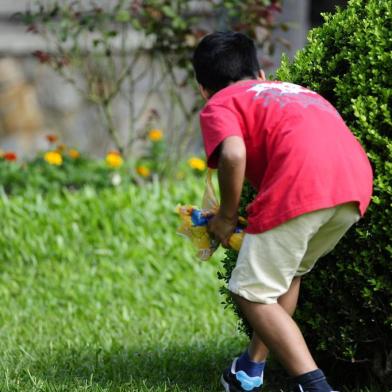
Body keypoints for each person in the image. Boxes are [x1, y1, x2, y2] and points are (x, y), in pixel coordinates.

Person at [192, 31, 373, 392]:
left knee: (249, 291)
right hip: (353, 187)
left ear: (202, 89)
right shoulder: (292, 90)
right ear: (260, 74)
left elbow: (233, 154)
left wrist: (227, 217)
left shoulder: (220, 103)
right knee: (288, 275)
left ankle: (316, 388)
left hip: (302, 187)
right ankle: (249, 370)